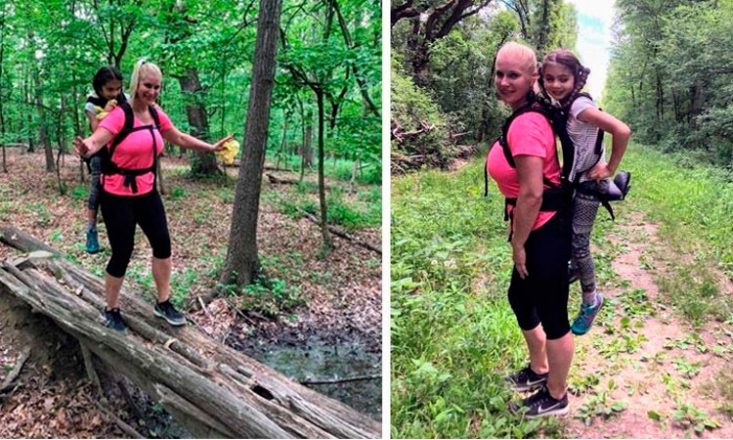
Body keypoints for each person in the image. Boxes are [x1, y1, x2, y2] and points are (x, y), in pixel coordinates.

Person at [73, 59, 231, 333]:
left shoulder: (156, 114)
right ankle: (111, 308)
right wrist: (85, 147)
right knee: (122, 252)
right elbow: (97, 139)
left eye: (157, 87)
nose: (152, 91)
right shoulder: (119, 114)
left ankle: (163, 302)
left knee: (163, 244)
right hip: (116, 195)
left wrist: (211, 148)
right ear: (136, 84)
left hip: (147, 192)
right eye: (148, 85)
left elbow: (178, 137)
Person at [486, 41, 573, 418]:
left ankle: (557, 395)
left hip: (544, 231)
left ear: (532, 77)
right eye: (499, 73)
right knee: (521, 298)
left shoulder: (527, 123)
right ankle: (539, 370)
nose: (504, 81)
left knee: (553, 314)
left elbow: (533, 192)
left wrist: (519, 243)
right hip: (534, 228)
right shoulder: (525, 113)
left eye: (513, 75)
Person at [539, 49, 631, 335]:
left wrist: (609, 168)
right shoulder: (565, 104)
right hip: (576, 180)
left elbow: (622, 130)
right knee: (569, 234)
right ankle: (577, 268)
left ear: (576, 78)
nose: (555, 84)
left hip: (589, 184)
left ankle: (591, 301)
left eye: (562, 78)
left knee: (579, 242)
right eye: (549, 79)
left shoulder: (578, 105)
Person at [82, 66, 127, 254]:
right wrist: (107, 113)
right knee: (96, 192)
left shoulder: (127, 99)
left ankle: (121, 235)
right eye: (110, 89)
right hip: (100, 154)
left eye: (118, 89)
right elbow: (96, 131)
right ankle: (91, 232)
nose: (114, 93)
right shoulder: (92, 104)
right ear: (100, 88)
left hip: (123, 153)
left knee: (121, 193)